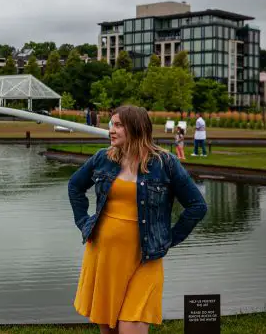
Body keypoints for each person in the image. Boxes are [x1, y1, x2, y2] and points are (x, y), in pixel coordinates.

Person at [68, 105, 207, 334]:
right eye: (111, 124)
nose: (111, 130)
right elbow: (75, 185)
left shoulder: (165, 163)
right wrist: (83, 222)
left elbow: (197, 206)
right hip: (104, 256)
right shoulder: (103, 158)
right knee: (110, 329)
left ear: (136, 128)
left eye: (118, 125)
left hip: (146, 258)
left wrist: (169, 238)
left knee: (130, 326)